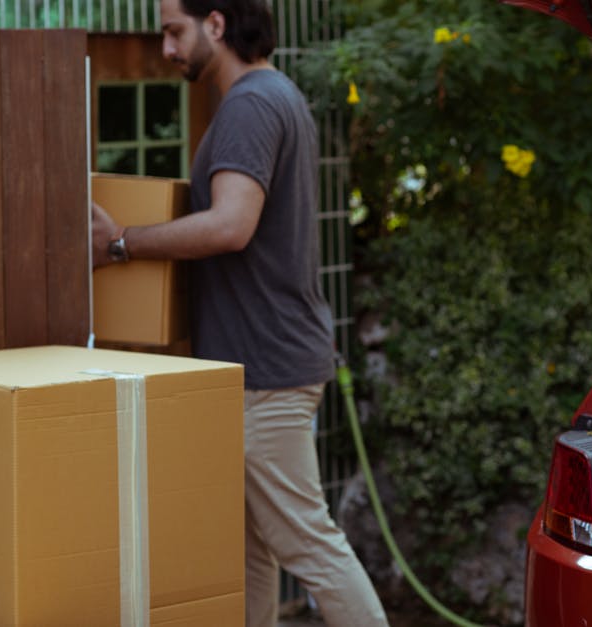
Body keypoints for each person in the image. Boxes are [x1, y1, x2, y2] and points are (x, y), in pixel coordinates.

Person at [89, 0, 388, 625]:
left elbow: (231, 225)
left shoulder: (250, 105)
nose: (168, 49)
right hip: (261, 364)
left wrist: (121, 243)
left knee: (308, 544)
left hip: (266, 370)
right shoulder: (277, 95)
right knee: (251, 551)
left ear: (217, 24)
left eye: (175, 31)